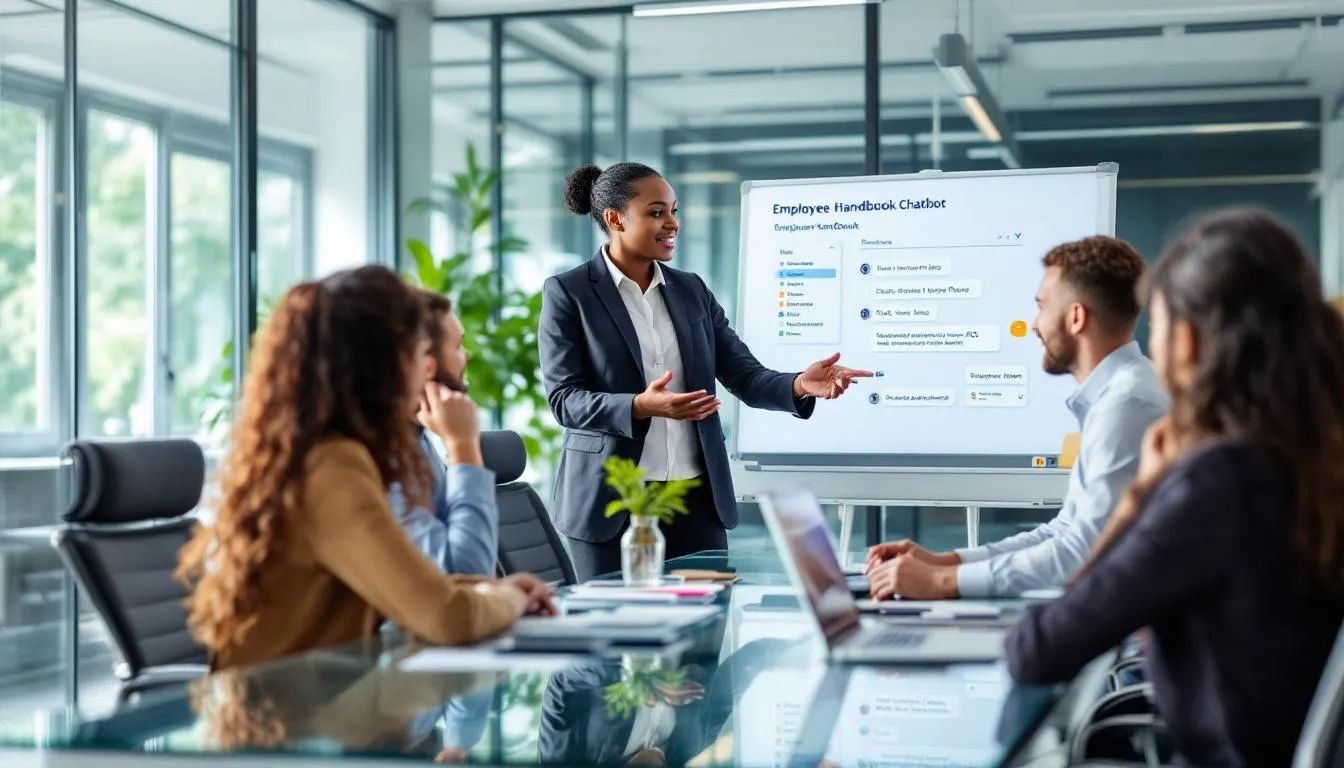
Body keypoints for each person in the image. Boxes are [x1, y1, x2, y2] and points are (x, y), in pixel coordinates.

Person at [1005, 209, 1344, 767]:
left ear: (1184, 341)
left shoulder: (1219, 484)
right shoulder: (1313, 459)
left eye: (1155, 329)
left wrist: (1141, 497)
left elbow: (1039, 649)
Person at [176, 265, 554, 670]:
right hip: (289, 720)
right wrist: (510, 598)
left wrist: (490, 588)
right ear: (381, 364)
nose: (424, 368)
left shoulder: (323, 453)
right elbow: (447, 618)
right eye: (416, 353)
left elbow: (406, 581)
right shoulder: (331, 467)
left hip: (323, 706)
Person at [539, 162, 873, 581]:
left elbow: (744, 374)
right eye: (657, 212)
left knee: (703, 639)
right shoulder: (569, 292)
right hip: (611, 502)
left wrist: (799, 384)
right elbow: (565, 399)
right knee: (616, 637)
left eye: (673, 211)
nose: (672, 223)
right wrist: (640, 406)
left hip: (695, 501)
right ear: (615, 219)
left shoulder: (691, 290)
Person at [866, 235, 1167, 599]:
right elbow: (1066, 531)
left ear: (1075, 317)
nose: (1035, 324)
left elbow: (1084, 553)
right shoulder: (1118, 394)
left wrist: (941, 583)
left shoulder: (1127, 404)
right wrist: (945, 563)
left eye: (1041, 307)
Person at [389, 287, 497, 577]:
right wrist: (463, 445)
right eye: (459, 346)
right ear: (427, 365)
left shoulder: (417, 438)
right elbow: (465, 573)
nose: (468, 357)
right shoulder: (382, 456)